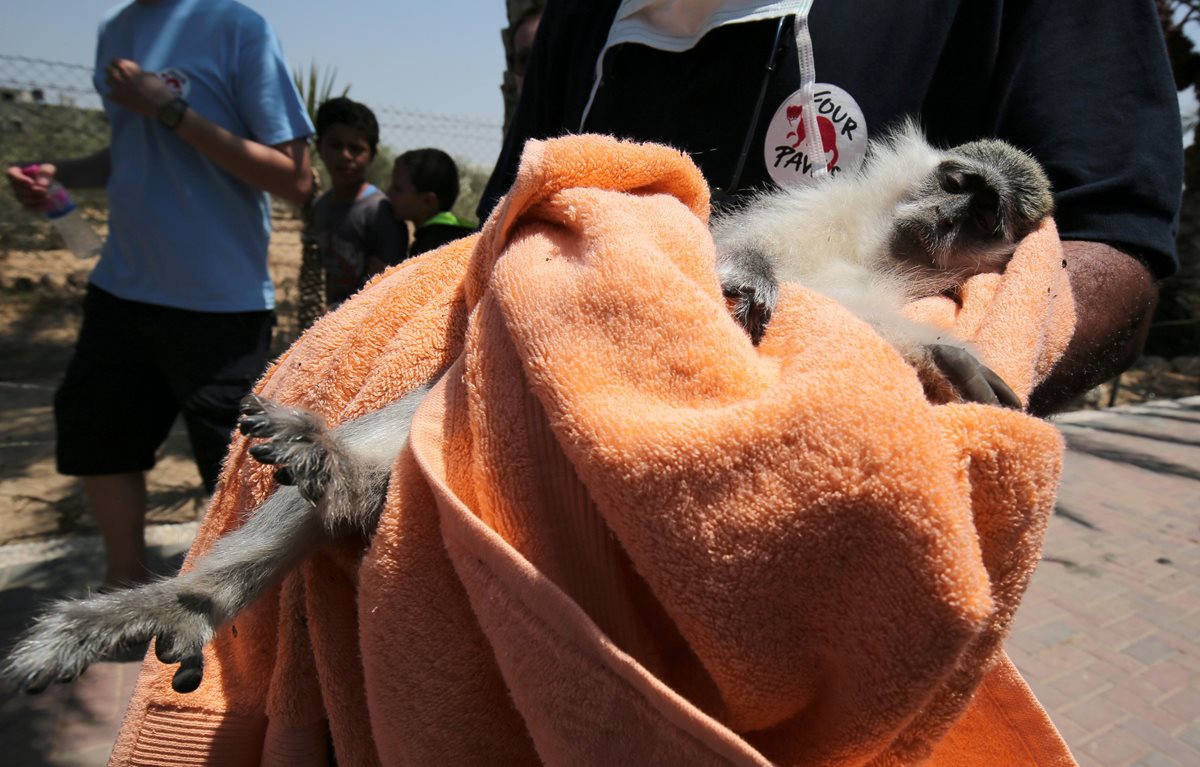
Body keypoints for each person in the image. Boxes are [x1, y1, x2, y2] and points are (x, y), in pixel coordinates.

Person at [480, 0, 1184, 416]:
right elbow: (498, 240)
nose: (949, 213)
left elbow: (1111, 240)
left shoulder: (899, 259)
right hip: (546, 402)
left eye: (978, 215)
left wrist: (906, 400)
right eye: (956, 191)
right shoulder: (586, 11)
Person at [5, 0, 313, 588]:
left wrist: (168, 108)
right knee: (100, 440)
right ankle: (123, 588)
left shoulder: (238, 29)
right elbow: (134, 153)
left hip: (220, 303)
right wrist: (61, 174)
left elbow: (295, 178)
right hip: (121, 287)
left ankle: (249, 616)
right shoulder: (114, 30)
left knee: (240, 473)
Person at [312, 97, 409, 307]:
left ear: (372, 155)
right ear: (319, 147)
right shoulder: (320, 207)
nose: (345, 156)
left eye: (356, 149)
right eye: (335, 146)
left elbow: (389, 287)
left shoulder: (379, 212)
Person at [388, 148, 476, 256]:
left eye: (397, 189)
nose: (389, 193)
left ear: (428, 201)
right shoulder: (463, 232)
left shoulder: (431, 244)